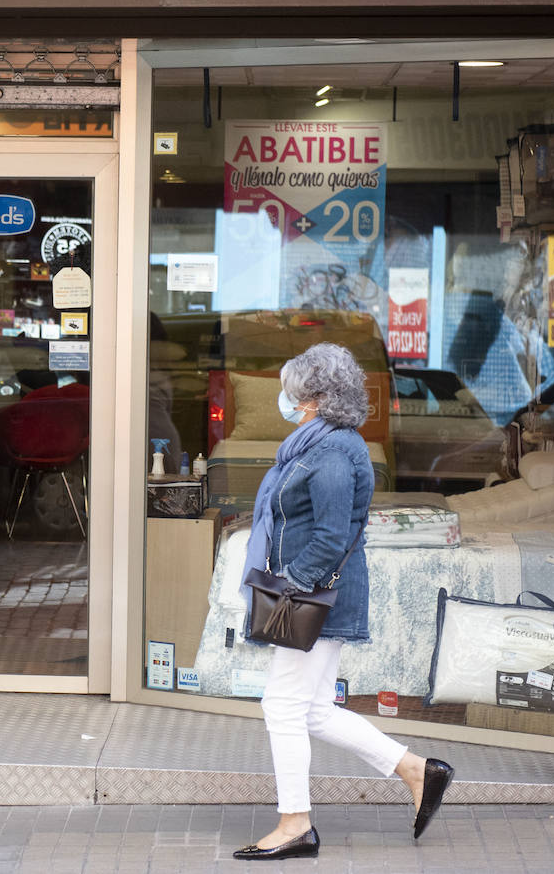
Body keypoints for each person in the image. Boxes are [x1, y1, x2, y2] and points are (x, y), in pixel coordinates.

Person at [232, 343, 454, 862]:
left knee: (281, 706)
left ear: (316, 397)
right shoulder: (316, 442)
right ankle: (418, 771)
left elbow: (333, 536)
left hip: (315, 596)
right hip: (318, 593)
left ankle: (295, 824)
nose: (286, 399)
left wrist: (287, 585)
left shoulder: (332, 450)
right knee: (309, 709)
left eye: (293, 391)